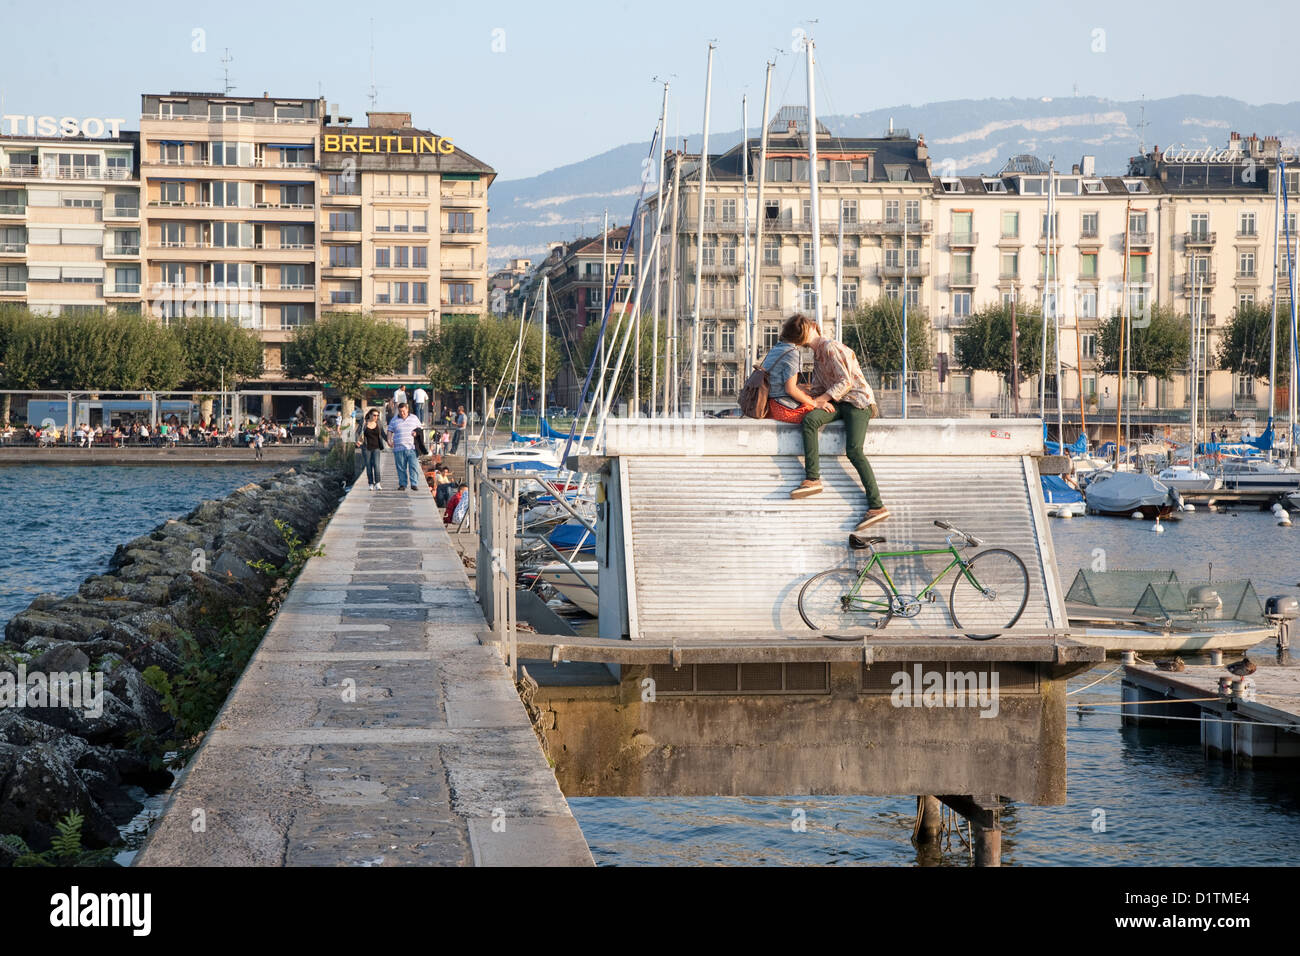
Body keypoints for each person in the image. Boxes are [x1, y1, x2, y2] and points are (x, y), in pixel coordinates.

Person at [786, 313, 889, 531]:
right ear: (813, 326)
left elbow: (847, 382)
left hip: (858, 401)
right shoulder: (818, 355)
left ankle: (877, 506)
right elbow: (819, 388)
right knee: (811, 420)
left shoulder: (831, 347)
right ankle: (813, 478)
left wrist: (820, 399)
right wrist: (796, 392)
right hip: (839, 402)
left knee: (854, 451)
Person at [760, 314, 822, 425]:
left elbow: (779, 383)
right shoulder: (793, 354)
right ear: (802, 335)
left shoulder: (776, 348)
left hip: (770, 405)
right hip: (782, 408)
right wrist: (815, 403)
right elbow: (790, 390)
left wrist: (801, 388)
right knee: (819, 414)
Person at [386, 402, 421, 492]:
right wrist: (389, 440)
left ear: (407, 409)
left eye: (404, 411)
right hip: (398, 448)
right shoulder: (394, 420)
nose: (402, 413)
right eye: (400, 411)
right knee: (401, 467)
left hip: (412, 447)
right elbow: (389, 430)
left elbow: (420, 429)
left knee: (413, 466)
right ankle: (402, 484)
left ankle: (414, 484)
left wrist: (416, 433)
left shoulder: (414, 418)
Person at [356, 409, 388, 490]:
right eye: (374, 415)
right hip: (366, 448)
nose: (376, 417)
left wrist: (389, 441)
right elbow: (357, 433)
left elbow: (383, 434)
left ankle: (377, 483)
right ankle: (370, 483)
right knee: (369, 466)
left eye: (377, 415)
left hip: (376, 448)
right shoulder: (364, 423)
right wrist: (357, 441)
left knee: (377, 466)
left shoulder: (378, 423)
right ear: (370, 414)